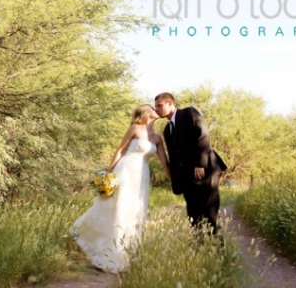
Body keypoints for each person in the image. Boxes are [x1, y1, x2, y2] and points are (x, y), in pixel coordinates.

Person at [71, 104, 171, 273]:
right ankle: (110, 253)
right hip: (125, 171)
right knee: (118, 210)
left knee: (136, 212)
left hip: (142, 177)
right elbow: (120, 151)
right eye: (151, 107)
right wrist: (108, 175)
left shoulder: (157, 138)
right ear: (145, 113)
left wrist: (174, 180)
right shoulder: (135, 128)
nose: (155, 108)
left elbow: (164, 162)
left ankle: (126, 254)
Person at [153, 92, 227, 235]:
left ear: (170, 103)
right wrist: (176, 181)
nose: (157, 109)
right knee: (193, 214)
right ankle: (199, 248)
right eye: (155, 107)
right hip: (188, 178)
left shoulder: (188, 113)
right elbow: (174, 158)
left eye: (159, 105)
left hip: (207, 171)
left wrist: (200, 164)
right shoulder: (167, 131)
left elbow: (203, 135)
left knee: (209, 212)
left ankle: (217, 250)